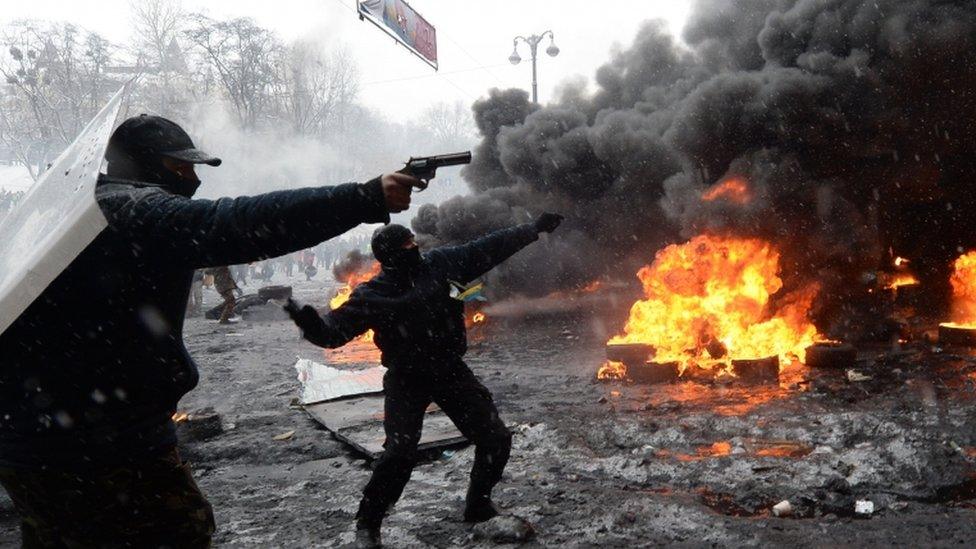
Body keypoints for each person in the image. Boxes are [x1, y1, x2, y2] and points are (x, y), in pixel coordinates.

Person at [0, 113, 420, 548]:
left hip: (36, 437)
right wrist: (363, 198)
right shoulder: (128, 210)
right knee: (180, 533)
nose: (192, 179)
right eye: (180, 168)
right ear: (145, 165)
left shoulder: (62, 216)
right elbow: (235, 223)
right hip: (99, 444)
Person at [285, 213, 564, 548]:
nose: (414, 247)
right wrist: (310, 324)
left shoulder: (443, 263)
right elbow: (334, 333)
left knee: (495, 438)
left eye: (413, 240)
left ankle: (478, 505)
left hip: (449, 370)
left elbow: (490, 247)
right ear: (389, 256)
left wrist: (532, 229)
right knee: (399, 454)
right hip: (407, 379)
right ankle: (368, 525)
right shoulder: (372, 295)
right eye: (405, 245)